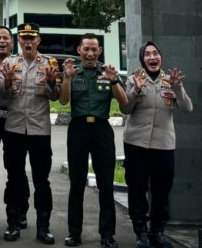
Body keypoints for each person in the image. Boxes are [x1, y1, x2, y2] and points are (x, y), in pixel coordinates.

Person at [119, 41, 193, 248]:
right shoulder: (133, 79)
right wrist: (136, 90)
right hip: (136, 144)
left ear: (160, 58)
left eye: (156, 54)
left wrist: (178, 87)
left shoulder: (172, 81)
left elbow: (187, 108)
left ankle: (157, 231)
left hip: (164, 145)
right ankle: (140, 232)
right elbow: (125, 108)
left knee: (161, 191)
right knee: (137, 188)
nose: (152, 57)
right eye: (148, 54)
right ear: (143, 59)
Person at [59, 33, 128, 248]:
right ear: (79, 50)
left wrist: (114, 80)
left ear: (99, 51)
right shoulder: (72, 71)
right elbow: (63, 101)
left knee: (106, 185)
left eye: (94, 49)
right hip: (78, 129)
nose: (90, 53)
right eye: (86, 49)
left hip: (102, 130)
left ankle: (107, 235)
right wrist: (67, 78)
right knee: (77, 184)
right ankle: (74, 233)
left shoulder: (107, 73)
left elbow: (124, 104)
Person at [0, 23, 59, 244]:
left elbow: (55, 97)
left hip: (39, 130)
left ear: (38, 41)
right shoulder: (9, 63)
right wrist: (5, 82)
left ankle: (43, 228)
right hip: (14, 128)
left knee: (42, 181)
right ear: (19, 41)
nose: (28, 42)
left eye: (32, 38)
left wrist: (52, 83)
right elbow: (3, 97)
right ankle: (13, 224)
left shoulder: (50, 64)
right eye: (24, 38)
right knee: (14, 179)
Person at [0, 25, 30, 231]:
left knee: (15, 168)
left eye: (6, 38)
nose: (2, 41)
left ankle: (20, 209)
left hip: (14, 120)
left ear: (12, 43)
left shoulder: (19, 63)